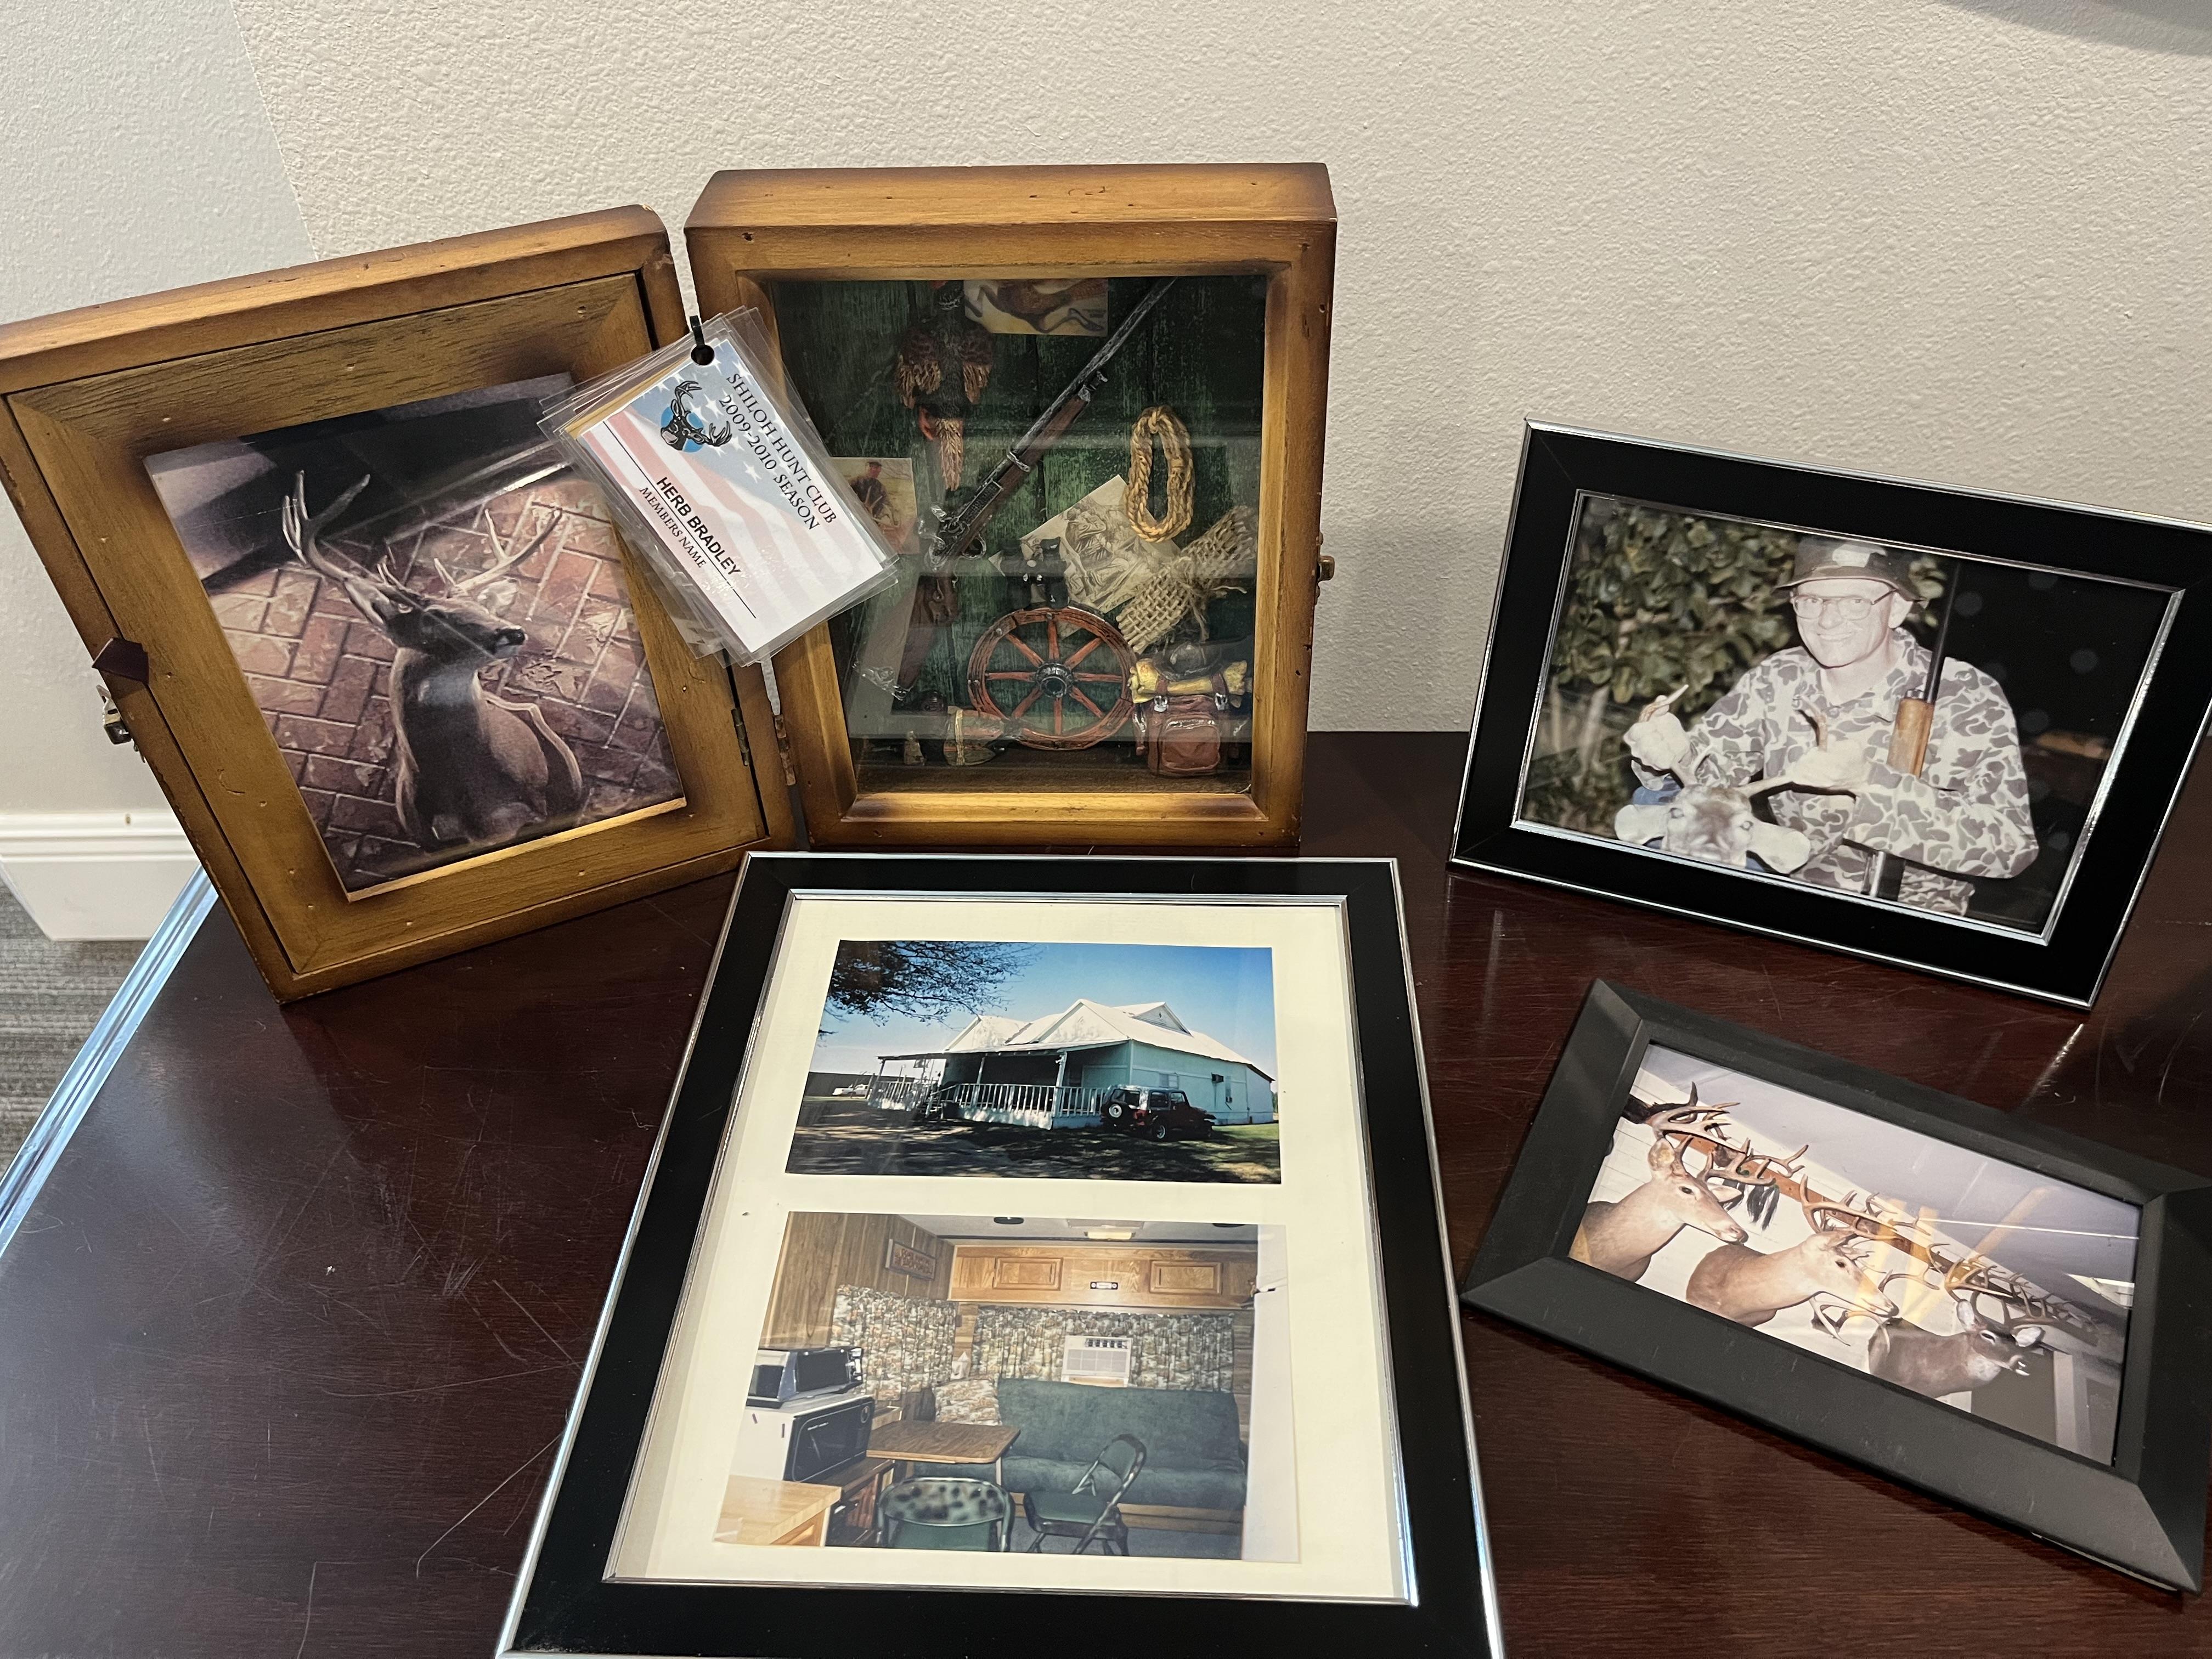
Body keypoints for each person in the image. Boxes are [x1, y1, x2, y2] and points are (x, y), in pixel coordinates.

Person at [1622, 538, 2035, 913]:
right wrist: (1671, 754)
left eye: (1855, 602)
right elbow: (1712, 786)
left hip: (1908, 913)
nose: (1827, 620)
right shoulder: (1780, 676)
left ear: (1897, 608)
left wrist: (1869, 782)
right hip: (1790, 883)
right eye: (1812, 600)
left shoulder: (1966, 695)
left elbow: (2010, 848)